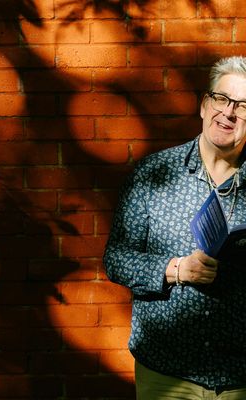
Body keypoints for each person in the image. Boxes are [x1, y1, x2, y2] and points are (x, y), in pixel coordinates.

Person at [103, 55, 246, 400]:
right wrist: (177, 269)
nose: (228, 113)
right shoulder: (152, 173)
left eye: (243, 106)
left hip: (240, 374)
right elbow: (116, 259)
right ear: (204, 106)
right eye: (222, 99)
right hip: (167, 374)